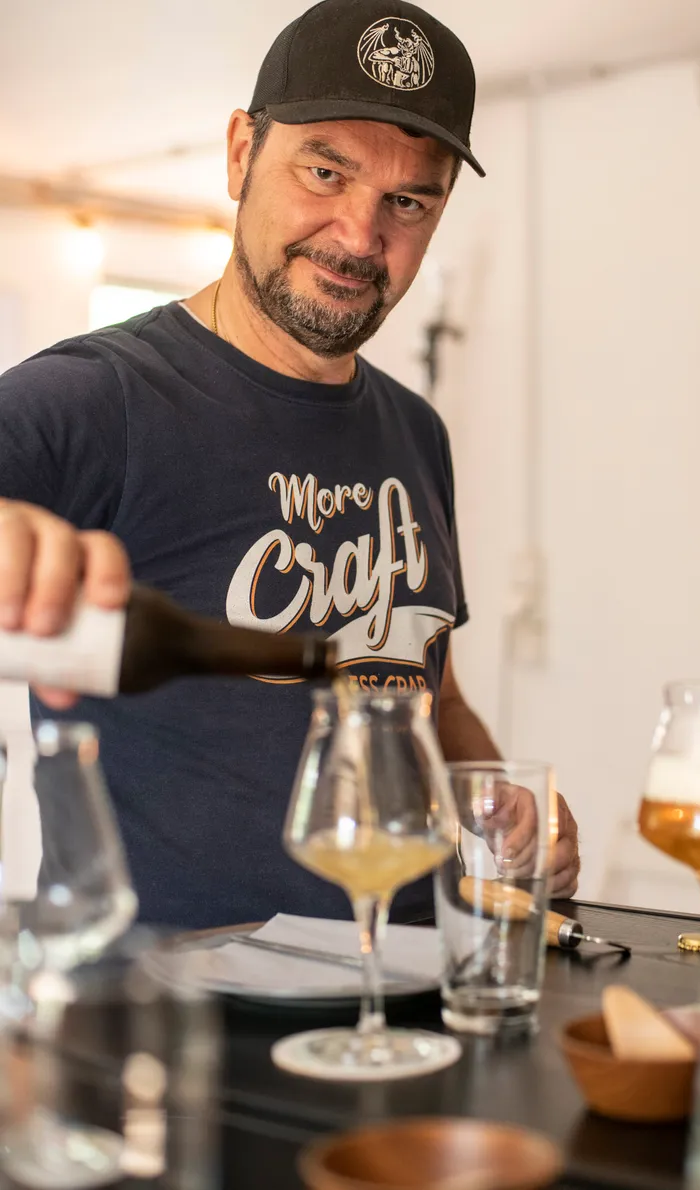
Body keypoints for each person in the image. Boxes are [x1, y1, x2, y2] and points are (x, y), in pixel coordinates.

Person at [0, 0, 579, 929]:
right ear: (240, 154)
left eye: (408, 200)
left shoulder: (415, 430)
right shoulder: (95, 396)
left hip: (400, 1004)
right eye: (324, 171)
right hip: (174, 1029)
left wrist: (498, 812)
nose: (358, 235)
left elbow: (433, 689)